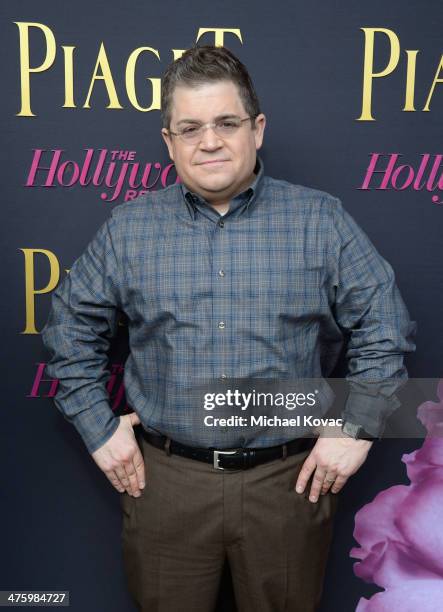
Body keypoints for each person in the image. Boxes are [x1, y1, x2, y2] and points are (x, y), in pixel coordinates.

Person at [41, 45, 416, 612]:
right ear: (168, 142)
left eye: (226, 123)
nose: (209, 141)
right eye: (189, 128)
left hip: (288, 486)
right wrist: (98, 426)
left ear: (257, 129)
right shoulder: (129, 229)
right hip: (165, 485)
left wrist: (354, 428)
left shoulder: (320, 220)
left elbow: (385, 329)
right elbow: (69, 330)